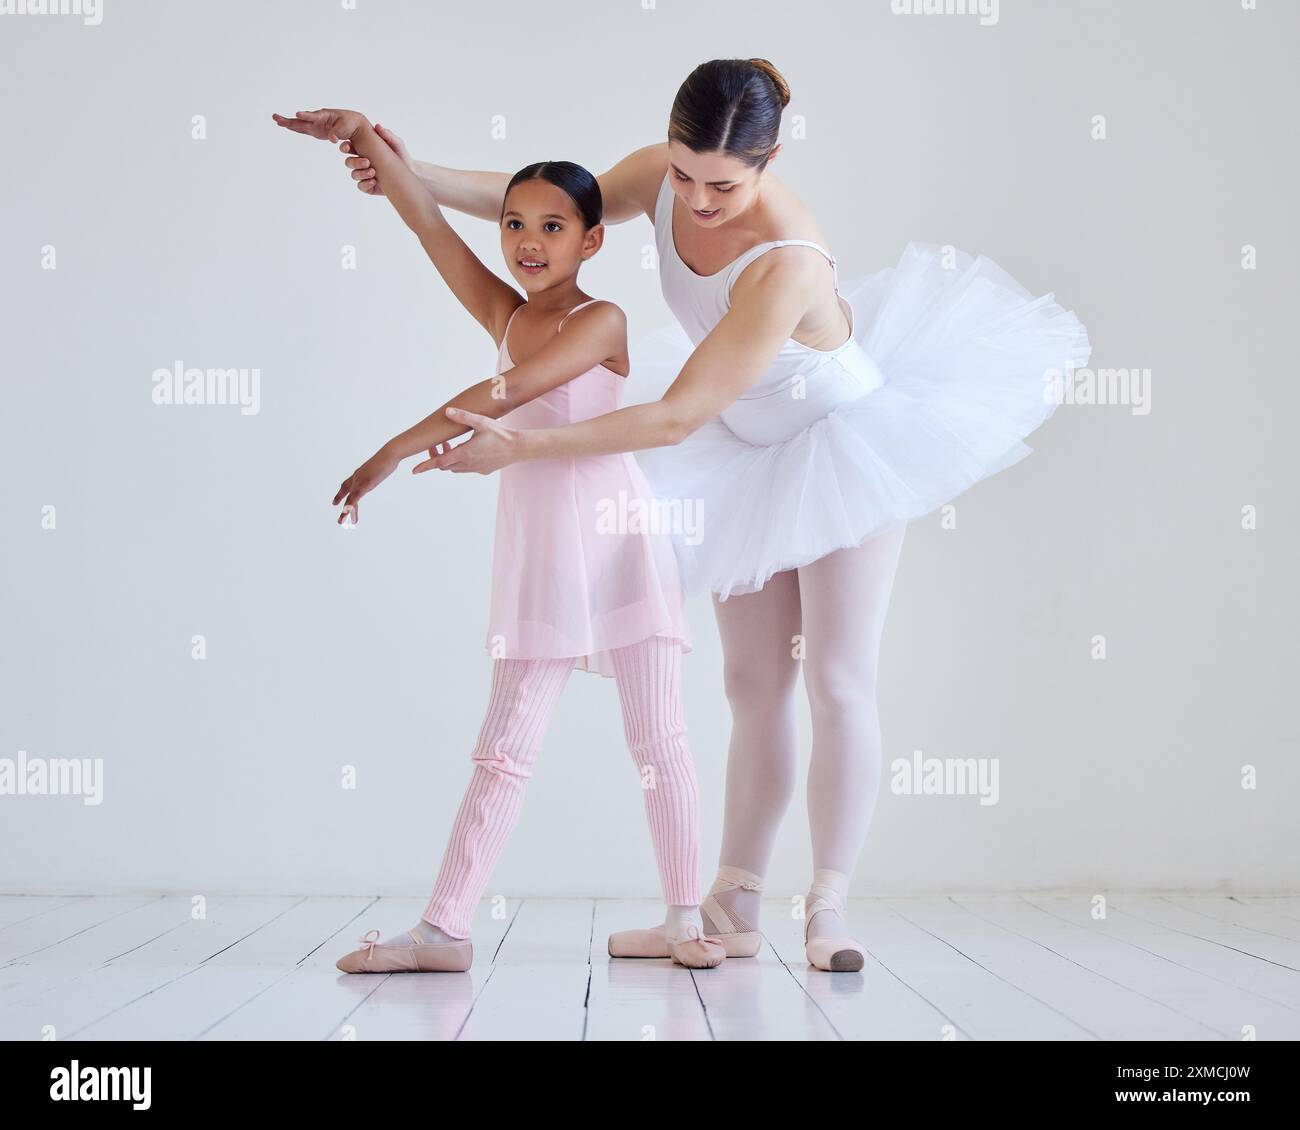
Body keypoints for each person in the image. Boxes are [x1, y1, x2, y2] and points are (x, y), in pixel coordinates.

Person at [277, 57, 1089, 972]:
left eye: (723, 185)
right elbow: (547, 200)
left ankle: (829, 909)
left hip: (842, 442)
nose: (698, 201)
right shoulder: (662, 177)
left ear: (770, 158)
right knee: (750, 686)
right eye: (684, 174)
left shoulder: (785, 258)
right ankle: (730, 902)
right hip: (746, 445)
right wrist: (395, 163)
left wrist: (520, 449)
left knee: (838, 679)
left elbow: (673, 416)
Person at [272, 106, 723, 971]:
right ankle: (444, 930)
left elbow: (506, 396)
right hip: (545, 560)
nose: (528, 241)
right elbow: (428, 226)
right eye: (515, 223)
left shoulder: (605, 321)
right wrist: (360, 134)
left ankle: (683, 921)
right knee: (504, 747)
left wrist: (388, 452)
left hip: (623, 546)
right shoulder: (508, 313)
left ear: (592, 240)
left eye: (553, 226)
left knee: (658, 739)